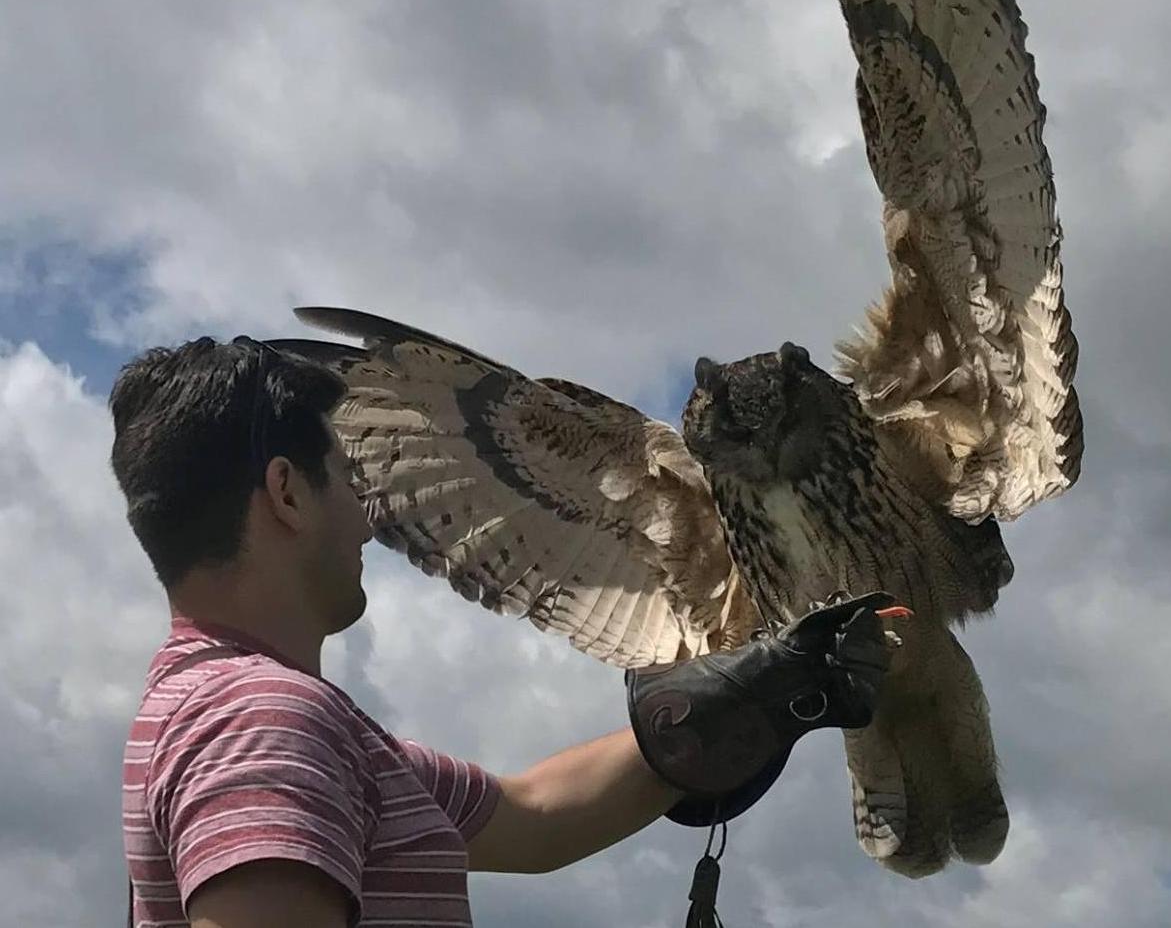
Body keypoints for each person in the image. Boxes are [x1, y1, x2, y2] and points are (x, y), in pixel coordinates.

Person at [115, 337, 896, 928]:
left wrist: (752, 693)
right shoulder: (263, 720)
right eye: (351, 482)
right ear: (287, 494)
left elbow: (530, 816)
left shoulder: (246, 713)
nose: (368, 519)